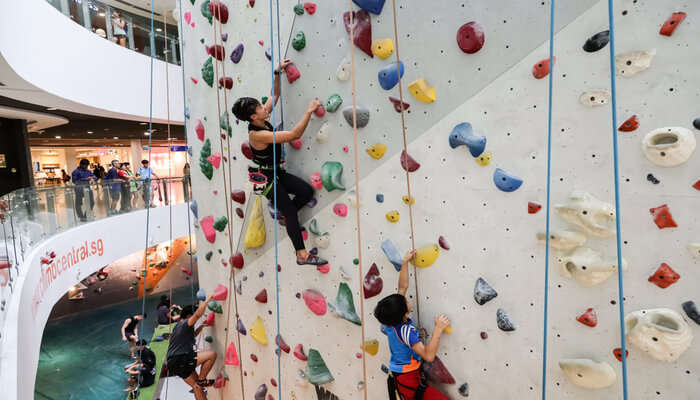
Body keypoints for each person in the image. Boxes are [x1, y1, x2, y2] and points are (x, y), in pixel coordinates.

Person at [232, 58, 326, 266]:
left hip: (275, 172)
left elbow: (274, 95)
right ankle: (301, 255)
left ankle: (285, 217)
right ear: (252, 117)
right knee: (291, 211)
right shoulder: (257, 135)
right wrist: (309, 111)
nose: (264, 107)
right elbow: (293, 134)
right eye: (259, 107)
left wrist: (277, 73)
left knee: (306, 192)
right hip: (263, 178)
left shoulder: (261, 117)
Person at [374, 250, 450, 400]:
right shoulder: (406, 331)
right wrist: (438, 329)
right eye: (406, 301)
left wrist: (404, 262)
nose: (406, 299)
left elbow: (402, 287)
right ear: (405, 314)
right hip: (408, 379)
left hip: (401, 375)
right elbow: (428, 355)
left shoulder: (392, 320)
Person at [165, 298, 217, 400]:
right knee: (212, 355)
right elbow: (197, 314)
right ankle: (202, 380)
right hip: (180, 359)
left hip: (173, 363)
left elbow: (191, 335)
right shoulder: (185, 324)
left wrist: (200, 327)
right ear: (189, 316)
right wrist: (208, 300)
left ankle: (200, 383)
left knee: (196, 387)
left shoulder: (178, 326)